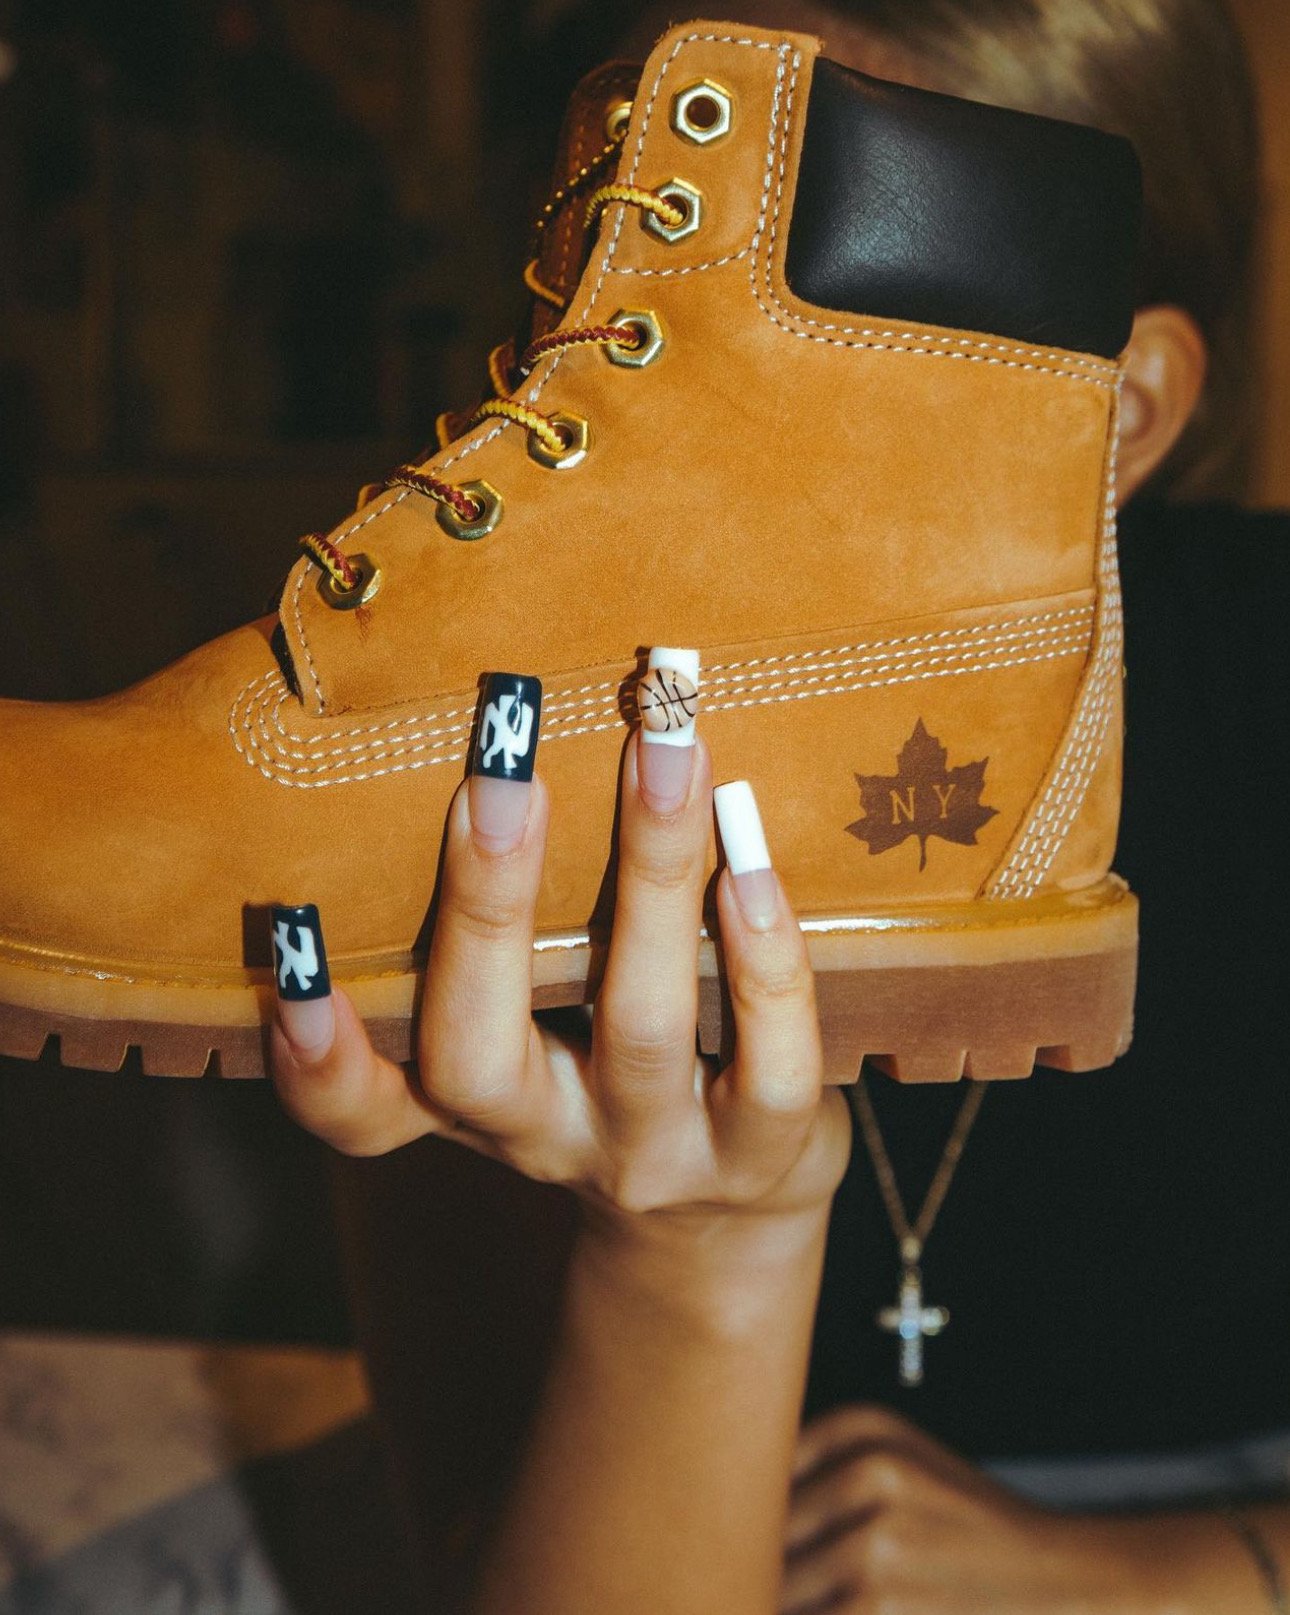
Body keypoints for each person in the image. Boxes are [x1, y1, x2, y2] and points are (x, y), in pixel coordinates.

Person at [272, 1, 1290, 1610]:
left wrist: (1180, 1572)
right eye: (651, 276)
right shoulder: (475, 757)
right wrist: (692, 1261)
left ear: (1119, 416)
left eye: (819, 298)